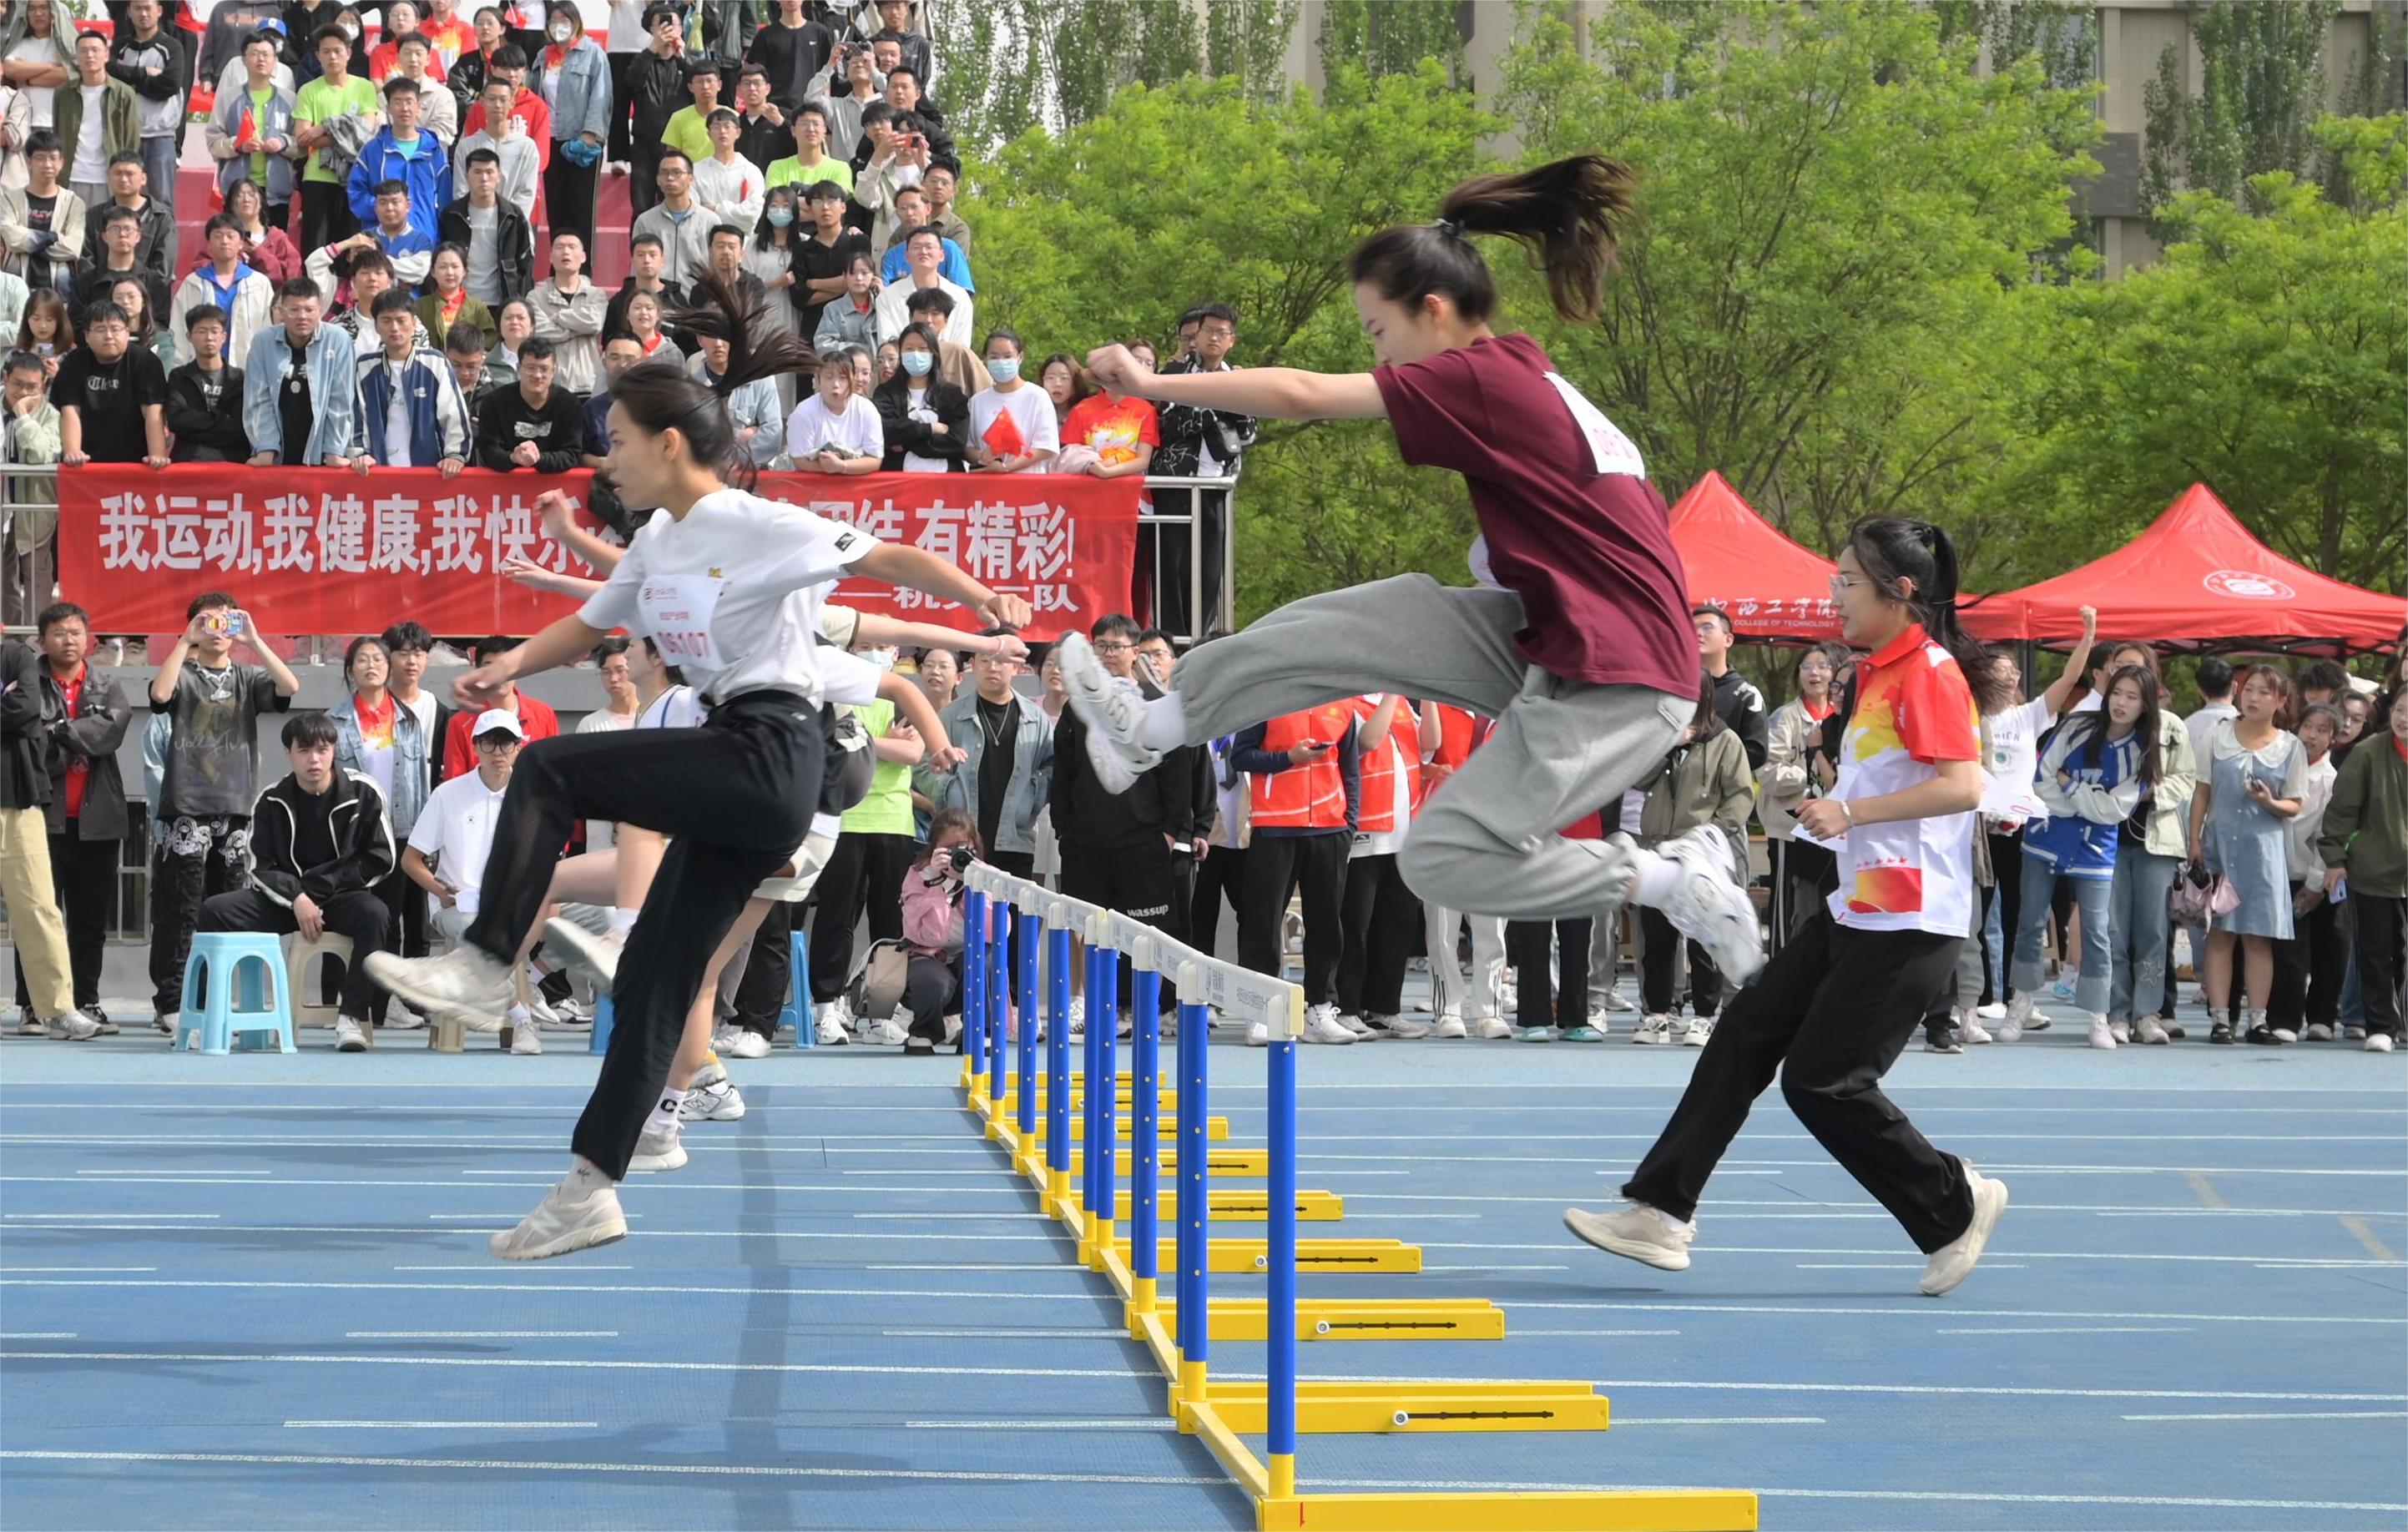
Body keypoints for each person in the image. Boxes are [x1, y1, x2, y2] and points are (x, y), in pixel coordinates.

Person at [367, 272, 1029, 1257]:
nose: (610, 460)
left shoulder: (757, 524)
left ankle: (486, 962)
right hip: (744, 771)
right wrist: (507, 663)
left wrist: (985, 604)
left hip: (771, 748)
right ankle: (592, 1186)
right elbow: (591, 620)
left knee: (548, 773)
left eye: (621, 444)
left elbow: (887, 560)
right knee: (653, 975)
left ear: (668, 445)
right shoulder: (658, 541)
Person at [1053, 158, 1757, 990]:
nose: (1379, 355)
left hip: (1625, 680)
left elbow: (1307, 394)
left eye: (1378, 332)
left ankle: (1679, 879)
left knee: (1443, 857)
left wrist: (1150, 381)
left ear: (1431, 312)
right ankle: (1151, 730)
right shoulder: (1520, 372)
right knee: (1356, 625)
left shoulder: (1478, 379)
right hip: (1552, 633)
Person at [1570, 517, 2008, 1298]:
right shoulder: (1874, 670)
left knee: (1823, 1082)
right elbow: (1884, 780)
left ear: (1900, 593)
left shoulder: (1930, 671)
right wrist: (1822, 801)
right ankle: (1660, 1211)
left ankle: (1953, 1202)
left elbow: (1963, 786)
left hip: (1913, 922)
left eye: (1847, 581)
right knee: (1746, 1029)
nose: (1832, 594)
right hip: (1860, 906)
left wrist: (1852, 816)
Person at [144, 589, 301, 1035]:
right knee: (180, 908)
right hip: (186, 809)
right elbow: (159, 695)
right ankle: (171, 1002)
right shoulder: (185, 672)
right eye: (207, 622)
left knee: (224, 907)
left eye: (225, 621)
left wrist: (253, 637)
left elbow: (290, 688)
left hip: (234, 809)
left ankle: (211, 1001)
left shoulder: (248, 677)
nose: (217, 630)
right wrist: (184, 640)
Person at [194, 711, 395, 1053]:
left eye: (322, 749)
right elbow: (260, 866)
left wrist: (317, 892)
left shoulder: (364, 793)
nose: (314, 759)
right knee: (215, 911)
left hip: (341, 898)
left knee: (376, 915)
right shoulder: (272, 800)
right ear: (288, 753)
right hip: (285, 902)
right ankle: (205, 1016)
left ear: (334, 750)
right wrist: (298, 899)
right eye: (304, 751)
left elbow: (380, 858)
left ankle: (352, 1017)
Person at [2002, 663, 2163, 1051]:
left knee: (2096, 932)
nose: (2122, 703)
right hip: (2045, 837)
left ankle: (2098, 1016)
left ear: (2146, 706)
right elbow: (2041, 779)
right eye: (2118, 693)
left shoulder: (2143, 752)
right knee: (2030, 921)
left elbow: (2114, 811)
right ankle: (2020, 1003)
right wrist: (2085, 800)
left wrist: (2071, 786)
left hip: (2096, 849)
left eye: (2133, 697)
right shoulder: (2076, 727)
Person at [13, 601, 124, 1033]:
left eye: (76, 632)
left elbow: (111, 733)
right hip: (43, 818)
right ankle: (31, 1005)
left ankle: (87, 1001)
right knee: (37, 913)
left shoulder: (107, 683)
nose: (68, 640)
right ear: (41, 640)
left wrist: (60, 731)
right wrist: (74, 736)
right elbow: (29, 742)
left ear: (88, 638)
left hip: (98, 819)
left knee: (89, 919)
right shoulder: (28, 683)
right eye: (58, 632)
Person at [1627, 673, 1754, 1046]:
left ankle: (1703, 1015)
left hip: (1701, 853)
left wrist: (1712, 832)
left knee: (1704, 936)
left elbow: (1740, 795)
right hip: (1658, 849)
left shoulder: (1725, 740)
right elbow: (1637, 779)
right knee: (1658, 938)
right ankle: (1657, 1014)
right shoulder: (1659, 732)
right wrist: (1666, 746)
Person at [2189, 664, 2310, 1046]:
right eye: (2249, 690)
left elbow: (2295, 804)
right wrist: (2193, 839)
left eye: (2265, 692)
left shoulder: (2291, 746)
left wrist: (2269, 801)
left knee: (2259, 937)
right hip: (2220, 845)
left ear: (2281, 701)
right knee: (2221, 935)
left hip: (2265, 851)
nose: (2254, 698)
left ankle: (2258, 1020)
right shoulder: (2218, 735)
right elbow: (2202, 791)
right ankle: (2221, 1019)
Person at [0, 629, 94, 1040]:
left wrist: (13, 698)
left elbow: (25, 709)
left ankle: (57, 1009)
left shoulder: (16, 655)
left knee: (39, 907)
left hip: (18, 798)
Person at [1150, 302, 1252, 636]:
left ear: (1231, 340)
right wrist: (1221, 404)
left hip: (1214, 482)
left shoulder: (1240, 379)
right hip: (1176, 481)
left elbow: (1248, 431)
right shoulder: (1174, 375)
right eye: (1207, 331)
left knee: (1210, 568)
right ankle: (1170, 640)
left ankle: (1198, 637)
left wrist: (1214, 403)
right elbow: (1172, 423)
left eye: (1221, 333)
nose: (1212, 339)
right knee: (1171, 563)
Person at [1334, 693, 1430, 1039]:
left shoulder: (1403, 704)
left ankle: (1384, 1008)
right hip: (1366, 832)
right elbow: (1368, 742)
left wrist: (1428, 696)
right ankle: (1347, 1007)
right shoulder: (1351, 703)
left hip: (1405, 834)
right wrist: (1392, 691)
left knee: (1399, 922)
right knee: (1357, 922)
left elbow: (1431, 742)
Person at [2319, 688, 2406, 1054]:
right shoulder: (2367, 753)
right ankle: (2380, 1024)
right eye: (2401, 709)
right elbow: (2341, 812)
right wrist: (2336, 859)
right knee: (2375, 951)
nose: (2405, 718)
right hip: (2373, 870)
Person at [931, 628, 1050, 880]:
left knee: (1014, 917)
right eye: (984, 659)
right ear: (973, 664)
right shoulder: (951, 715)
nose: (992, 667)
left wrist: (1033, 797)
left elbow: (1050, 766)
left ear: (1017, 668)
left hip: (1015, 839)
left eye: (1001, 661)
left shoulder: (1035, 718)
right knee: (962, 918)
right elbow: (924, 766)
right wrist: (947, 789)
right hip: (961, 840)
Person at [2270, 703, 2349, 1043]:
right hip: (2278, 871)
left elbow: (2328, 834)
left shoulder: (2332, 780)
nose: (2312, 736)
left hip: (2317, 873)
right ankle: (2285, 1018)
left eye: (2322, 730)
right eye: (2308, 727)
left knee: (2328, 948)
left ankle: (2322, 1017)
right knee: (2289, 950)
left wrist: (2317, 882)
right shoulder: (2278, 764)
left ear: (2333, 738)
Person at [243, 276, 362, 469]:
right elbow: (257, 399)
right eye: (294, 310)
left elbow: (341, 399)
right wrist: (265, 448)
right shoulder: (263, 342)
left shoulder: (337, 339)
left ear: (320, 309)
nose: (302, 316)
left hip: (320, 451)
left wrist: (333, 449)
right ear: (281, 311)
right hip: (278, 450)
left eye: (309, 310)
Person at [356, 286, 472, 471]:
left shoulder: (435, 362)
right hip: (377, 470)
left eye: (401, 320)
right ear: (376, 325)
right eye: (386, 320)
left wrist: (455, 455)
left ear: (414, 323)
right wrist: (360, 453)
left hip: (428, 471)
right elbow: (356, 417)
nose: (394, 328)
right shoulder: (364, 367)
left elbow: (453, 412)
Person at [896, 807, 979, 1053]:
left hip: (968, 956)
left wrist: (972, 884)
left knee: (985, 964)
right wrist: (936, 884)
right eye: (949, 849)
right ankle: (925, 1031)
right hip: (926, 954)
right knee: (932, 980)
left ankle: (977, 1031)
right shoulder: (918, 876)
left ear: (974, 847)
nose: (957, 855)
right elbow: (921, 933)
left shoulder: (986, 876)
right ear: (934, 848)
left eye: (962, 847)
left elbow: (997, 931)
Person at [291, 23, 380, 251]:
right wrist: (345, 131)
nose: (332, 56)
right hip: (317, 177)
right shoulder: (308, 90)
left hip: (355, 178)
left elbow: (366, 132)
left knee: (351, 247)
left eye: (338, 51)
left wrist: (323, 127)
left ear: (348, 53)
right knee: (315, 248)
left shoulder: (364, 87)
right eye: (326, 51)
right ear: (318, 55)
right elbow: (302, 136)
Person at [54, 298, 167, 467]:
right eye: (100, 330)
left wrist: (157, 456)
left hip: (136, 462)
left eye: (115, 329)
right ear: (86, 335)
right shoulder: (74, 362)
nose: (108, 336)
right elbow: (70, 410)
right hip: (87, 462)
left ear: (127, 332)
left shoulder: (145, 361)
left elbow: (152, 412)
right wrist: (73, 452)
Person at [532, 2, 608, 250]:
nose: (559, 25)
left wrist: (590, 135)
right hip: (550, 141)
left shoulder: (593, 53)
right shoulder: (543, 56)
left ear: (576, 21)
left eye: (564, 19)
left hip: (581, 141)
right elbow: (534, 96)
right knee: (557, 209)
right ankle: (558, 271)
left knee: (581, 210)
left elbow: (601, 96)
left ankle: (583, 273)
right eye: (553, 20)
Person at [208, 33, 300, 227]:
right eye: (254, 54)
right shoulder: (227, 98)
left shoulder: (290, 100)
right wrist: (238, 144)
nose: (261, 59)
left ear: (275, 60)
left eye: (266, 54)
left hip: (276, 192)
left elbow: (301, 145)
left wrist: (282, 143)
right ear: (243, 59)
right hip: (238, 193)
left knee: (273, 250)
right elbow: (213, 141)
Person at [439, 634, 559, 777]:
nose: (497, 676)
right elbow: (455, 781)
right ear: (477, 670)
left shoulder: (544, 715)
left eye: (504, 668)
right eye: (489, 667)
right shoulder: (460, 723)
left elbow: (554, 771)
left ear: (518, 669)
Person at [106, 0, 183, 220]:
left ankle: (164, 254)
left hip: (160, 136)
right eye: (137, 8)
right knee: (123, 199)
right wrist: (143, 73)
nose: (143, 13)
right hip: (126, 135)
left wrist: (129, 82)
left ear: (158, 11)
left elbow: (169, 85)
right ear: (129, 12)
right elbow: (109, 72)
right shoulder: (120, 47)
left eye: (148, 8)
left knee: (162, 202)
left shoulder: (172, 46)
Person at [347, 79, 448, 242]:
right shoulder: (373, 150)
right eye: (398, 102)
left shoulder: (434, 151)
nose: (405, 108)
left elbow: (445, 202)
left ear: (419, 107)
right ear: (388, 108)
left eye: (409, 102)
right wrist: (386, 208)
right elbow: (356, 193)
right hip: (381, 242)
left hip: (425, 240)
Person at [442, 145, 534, 305]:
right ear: (467, 176)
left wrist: (518, 302)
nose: (484, 178)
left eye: (489, 172)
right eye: (477, 172)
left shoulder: (513, 216)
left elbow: (524, 264)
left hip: (501, 302)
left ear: (499, 176)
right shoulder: (451, 215)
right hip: (460, 302)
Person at [55, 30, 135, 210]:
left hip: (107, 179)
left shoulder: (124, 94)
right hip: (71, 176)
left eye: (95, 50)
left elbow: (131, 142)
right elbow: (57, 131)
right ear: (76, 57)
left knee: (105, 233)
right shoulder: (63, 93)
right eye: (83, 51)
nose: (89, 55)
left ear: (106, 55)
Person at [871, 319, 965, 471]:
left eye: (922, 348)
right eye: (909, 349)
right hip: (899, 485)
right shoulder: (885, 393)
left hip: (947, 486)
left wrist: (907, 442)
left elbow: (957, 442)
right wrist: (930, 429)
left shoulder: (952, 394)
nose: (916, 354)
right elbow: (887, 431)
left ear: (934, 353)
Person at [964, 326, 1056, 474]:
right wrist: (982, 456)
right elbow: (967, 447)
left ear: (1020, 357)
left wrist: (1007, 467)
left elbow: (1045, 447)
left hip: (1028, 484)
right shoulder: (977, 402)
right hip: (987, 487)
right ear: (985, 359)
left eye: (1007, 356)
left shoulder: (1037, 396)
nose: (1001, 362)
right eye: (994, 357)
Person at [165, 304, 250, 462]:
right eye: (202, 331)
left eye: (214, 331)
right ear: (189, 336)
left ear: (224, 337)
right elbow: (177, 421)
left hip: (233, 462)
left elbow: (239, 427)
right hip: (188, 461)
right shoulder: (179, 377)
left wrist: (196, 429)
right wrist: (220, 418)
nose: (209, 337)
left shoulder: (239, 378)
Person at [622, 3, 684, 219]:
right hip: (645, 144)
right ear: (650, 28)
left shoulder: (686, 63)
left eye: (674, 23)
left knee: (678, 205)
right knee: (642, 208)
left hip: (678, 146)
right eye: (662, 23)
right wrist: (653, 48)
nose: (668, 28)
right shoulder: (642, 60)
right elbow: (631, 81)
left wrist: (681, 51)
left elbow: (701, 82)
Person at [0, 129, 79, 293]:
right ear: (28, 162)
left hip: (60, 288)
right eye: (40, 158)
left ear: (61, 162)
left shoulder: (73, 203)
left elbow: (73, 247)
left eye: (53, 158)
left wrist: (28, 243)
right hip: (17, 285)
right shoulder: (9, 200)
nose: (48, 164)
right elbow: (11, 239)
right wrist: (54, 237)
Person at [525, 229, 602, 393]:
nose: (566, 251)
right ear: (551, 257)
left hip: (588, 383)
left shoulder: (595, 295)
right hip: (551, 384)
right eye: (560, 247)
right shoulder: (535, 297)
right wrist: (578, 329)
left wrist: (558, 317)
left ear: (583, 257)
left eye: (572, 246)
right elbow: (540, 332)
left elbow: (594, 323)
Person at [1061, 353, 1157, 480]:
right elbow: (1069, 456)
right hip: (1089, 490)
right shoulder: (1081, 410)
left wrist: (1107, 472)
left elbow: (1143, 460)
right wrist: (1096, 468)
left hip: (1132, 491)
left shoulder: (1145, 410)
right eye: (1104, 372)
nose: (1110, 377)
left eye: (1114, 371)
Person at [783, 345, 880, 471]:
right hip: (813, 486)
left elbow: (874, 459)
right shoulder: (803, 412)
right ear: (818, 380)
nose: (836, 384)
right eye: (829, 377)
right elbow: (799, 459)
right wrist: (828, 467)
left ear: (852, 379)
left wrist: (842, 467)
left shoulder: (867, 410)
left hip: (856, 486)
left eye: (843, 378)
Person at [629, 149, 714, 290]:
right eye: (664, 173)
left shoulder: (709, 221)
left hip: (696, 303)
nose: (670, 178)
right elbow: (637, 268)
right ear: (657, 180)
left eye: (676, 172)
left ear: (691, 179)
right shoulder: (645, 221)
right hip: (657, 302)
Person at [453, 74, 538, 214]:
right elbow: (460, 190)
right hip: (476, 225)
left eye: (503, 100)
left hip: (514, 226)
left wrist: (507, 220)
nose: (497, 105)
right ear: (482, 102)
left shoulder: (527, 147)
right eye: (492, 99)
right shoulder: (466, 146)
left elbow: (526, 193)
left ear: (512, 103)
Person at [872, 225, 967, 346]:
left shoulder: (960, 297)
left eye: (929, 247)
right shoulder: (887, 297)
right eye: (917, 247)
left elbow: (962, 348)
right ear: (907, 256)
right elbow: (888, 345)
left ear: (942, 255)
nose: (923, 252)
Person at [220, 177, 305, 286]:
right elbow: (203, 266)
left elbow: (291, 275)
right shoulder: (223, 238)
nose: (246, 199)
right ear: (230, 203)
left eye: (251, 194)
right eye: (239, 195)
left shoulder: (277, 238)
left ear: (261, 203)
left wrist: (259, 254)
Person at [415, 241, 495, 349]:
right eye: (443, 267)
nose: (450, 272)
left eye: (455, 266)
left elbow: (490, 339)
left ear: (465, 271)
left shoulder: (477, 308)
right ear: (433, 272)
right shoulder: (420, 306)